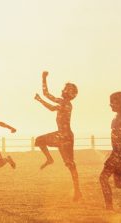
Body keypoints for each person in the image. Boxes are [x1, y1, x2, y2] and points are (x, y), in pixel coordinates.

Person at [34, 71, 82, 201]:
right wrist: (43, 78)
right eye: (64, 88)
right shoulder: (63, 101)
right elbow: (46, 94)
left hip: (65, 136)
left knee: (70, 164)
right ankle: (50, 159)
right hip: (61, 135)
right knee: (39, 141)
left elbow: (50, 107)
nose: (63, 90)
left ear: (70, 93)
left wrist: (39, 100)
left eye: (66, 89)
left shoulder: (65, 103)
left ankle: (77, 191)